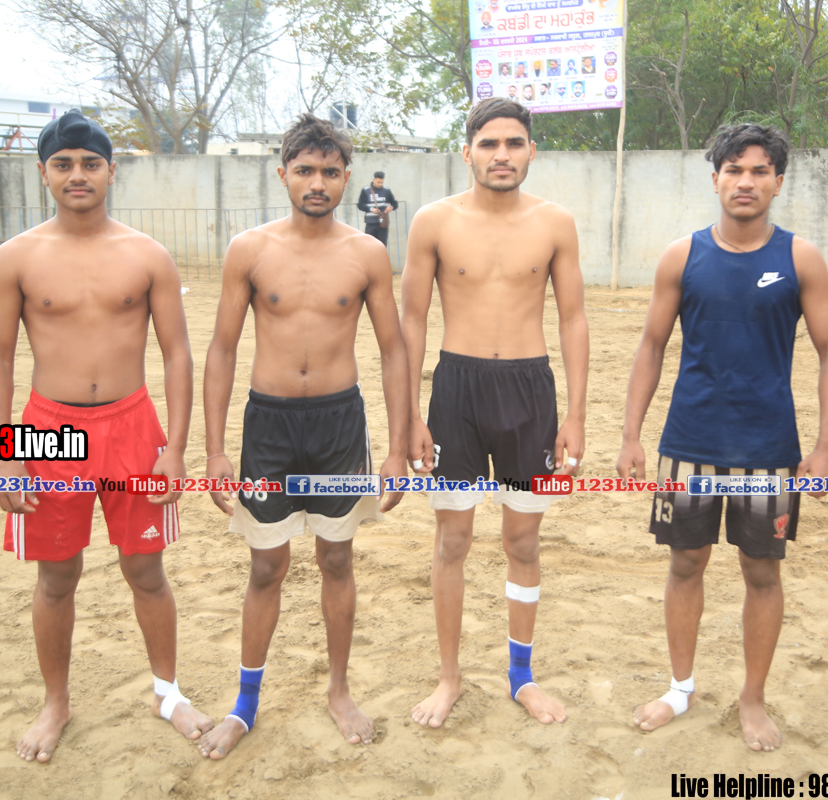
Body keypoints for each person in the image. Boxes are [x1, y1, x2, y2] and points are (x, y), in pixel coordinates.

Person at [0, 109, 210, 763]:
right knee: (57, 577)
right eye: (63, 164)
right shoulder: (16, 257)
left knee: (146, 570)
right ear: (43, 172)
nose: (77, 174)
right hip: (47, 434)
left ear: (111, 171)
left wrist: (174, 448)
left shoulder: (146, 255)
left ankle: (167, 693)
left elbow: (177, 353)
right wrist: (1, 454)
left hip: (132, 427)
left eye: (90, 163)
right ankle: (56, 703)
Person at [616, 123, 828, 751]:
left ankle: (752, 698)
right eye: (734, 170)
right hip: (689, 442)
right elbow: (651, 346)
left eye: (759, 171)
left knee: (762, 572)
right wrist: (632, 433)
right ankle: (680, 689)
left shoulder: (800, 259)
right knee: (685, 563)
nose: (746, 181)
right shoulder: (682, 256)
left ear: (778, 181)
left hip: (770, 450)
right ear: (715, 178)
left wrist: (825, 448)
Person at [199, 113, 411, 759]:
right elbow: (222, 349)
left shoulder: (367, 254)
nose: (317, 183)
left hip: (339, 425)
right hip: (268, 426)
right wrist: (215, 451)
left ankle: (339, 690)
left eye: (329, 172)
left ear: (347, 178)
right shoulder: (250, 249)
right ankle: (245, 703)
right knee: (266, 564)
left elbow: (394, 351)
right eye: (305, 170)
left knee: (337, 559)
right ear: (283, 174)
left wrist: (397, 449)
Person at [402, 98, 589, 728]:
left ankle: (521, 676)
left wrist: (576, 415)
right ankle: (448, 677)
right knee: (452, 539)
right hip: (455, 391)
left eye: (513, 143)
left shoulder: (555, 222)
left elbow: (573, 318)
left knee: (523, 541)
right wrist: (410, 415)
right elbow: (411, 321)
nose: (501, 155)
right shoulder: (433, 221)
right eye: (488, 143)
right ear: (467, 152)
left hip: (531, 393)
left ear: (532, 150)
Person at [356, 171, 398, 248]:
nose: (380, 184)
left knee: (382, 245)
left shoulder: (386, 190)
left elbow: (395, 204)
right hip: (371, 223)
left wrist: (390, 208)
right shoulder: (366, 190)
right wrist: (372, 209)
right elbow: (360, 205)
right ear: (374, 180)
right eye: (378, 182)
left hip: (383, 223)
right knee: (369, 244)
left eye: (382, 182)